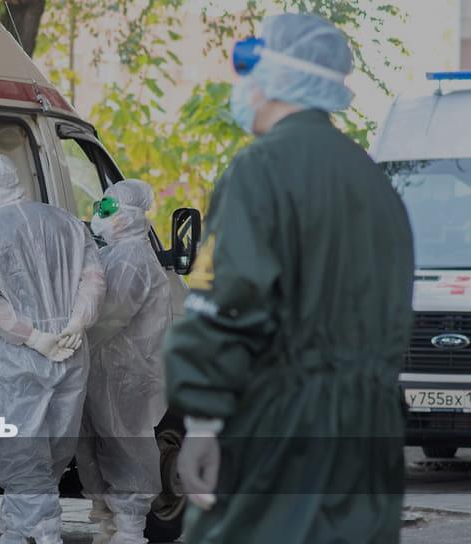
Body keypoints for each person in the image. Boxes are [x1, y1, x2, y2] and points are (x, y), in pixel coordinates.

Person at [164, 14, 414, 544]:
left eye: (248, 66)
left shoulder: (261, 170)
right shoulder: (375, 184)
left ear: (274, 74)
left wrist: (204, 422)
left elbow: (228, 303)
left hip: (281, 432)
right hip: (371, 438)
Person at [0, 154, 106, 544]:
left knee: (21, 449)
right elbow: (94, 279)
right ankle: (16, 529)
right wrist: (75, 323)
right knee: (56, 446)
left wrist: (33, 337)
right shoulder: (67, 222)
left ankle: (45, 532)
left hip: (18, 358)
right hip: (70, 349)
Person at [76, 180, 172, 544]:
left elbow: (108, 316)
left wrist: (67, 339)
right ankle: (114, 526)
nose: (98, 216)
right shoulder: (114, 254)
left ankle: (130, 532)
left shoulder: (132, 258)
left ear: (130, 215)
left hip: (125, 375)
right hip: (107, 371)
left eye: (107, 209)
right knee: (103, 447)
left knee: (125, 447)